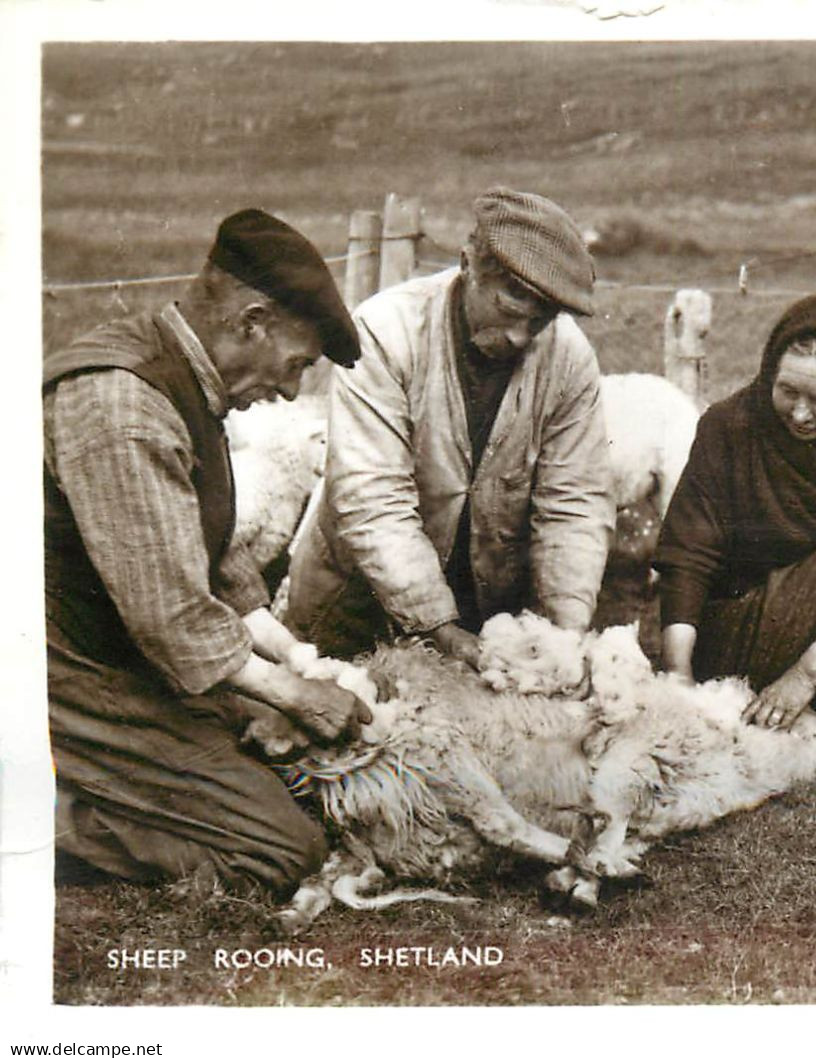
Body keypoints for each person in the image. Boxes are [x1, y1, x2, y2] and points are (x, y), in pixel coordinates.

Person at [45, 209, 373, 894]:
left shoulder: (188, 389)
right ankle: (42, 815)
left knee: (279, 764)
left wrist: (294, 658)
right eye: (296, 365)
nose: (289, 390)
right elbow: (170, 615)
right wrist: (293, 695)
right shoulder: (123, 407)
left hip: (118, 648)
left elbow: (212, 559)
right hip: (59, 664)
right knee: (281, 850)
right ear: (251, 321)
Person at [283, 187, 614, 668]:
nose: (522, 337)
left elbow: (575, 504)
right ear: (467, 265)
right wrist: (442, 629)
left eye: (539, 322)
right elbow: (373, 498)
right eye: (510, 311)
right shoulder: (385, 331)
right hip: (359, 604)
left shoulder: (568, 358)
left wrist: (562, 633)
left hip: (488, 616)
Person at [654, 294, 816, 731]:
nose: (800, 414)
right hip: (731, 637)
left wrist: (801, 679)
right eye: (788, 392)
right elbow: (688, 552)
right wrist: (678, 675)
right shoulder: (729, 426)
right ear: (768, 377)